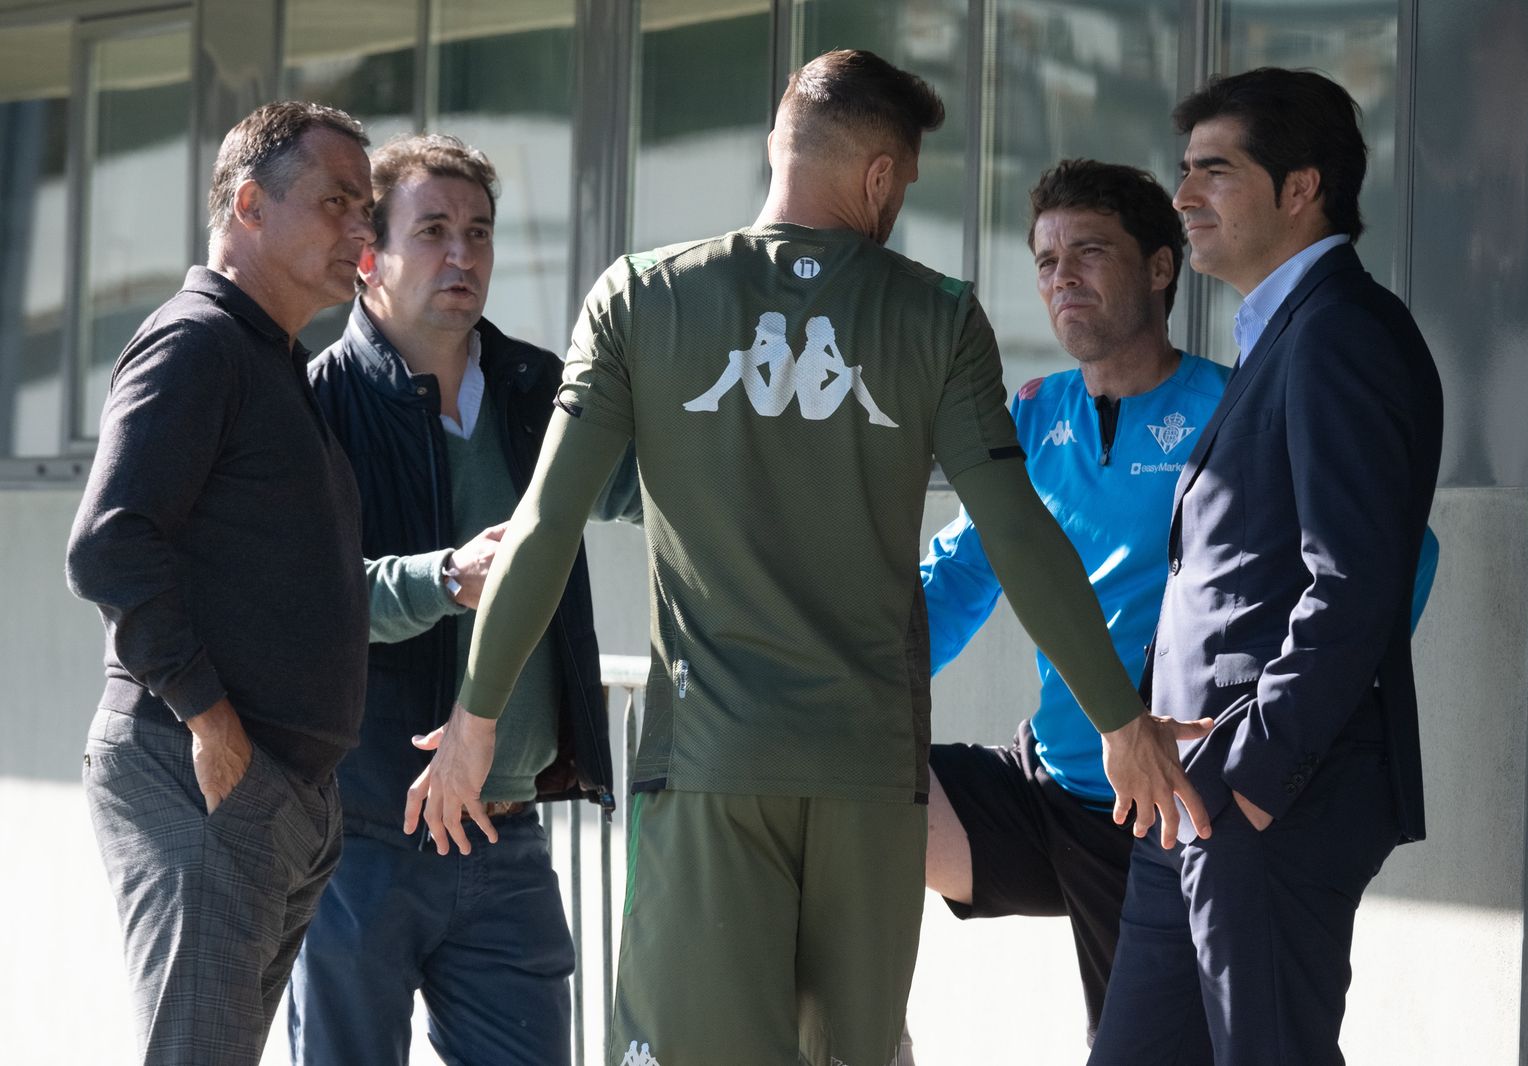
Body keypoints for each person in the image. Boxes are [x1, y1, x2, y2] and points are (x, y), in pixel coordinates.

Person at [410, 49, 1209, 1066]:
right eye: (904, 183)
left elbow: (543, 526)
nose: (899, 207)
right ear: (877, 175)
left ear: (773, 148)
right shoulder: (937, 313)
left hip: (708, 766)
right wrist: (1121, 723)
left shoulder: (640, 295)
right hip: (870, 775)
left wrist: (476, 721)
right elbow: (1017, 533)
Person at [919, 159, 1440, 1047]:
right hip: (1051, 788)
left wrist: (1277, 742)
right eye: (1045, 260)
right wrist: (845, 681)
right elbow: (960, 576)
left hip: (1176, 812)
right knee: (855, 778)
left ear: (1161, 267)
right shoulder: (1034, 417)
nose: (1061, 277)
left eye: (1089, 251)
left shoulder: (1232, 402)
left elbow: (1399, 562)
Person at [1087, 68, 1444, 1065]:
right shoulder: (1284, 331)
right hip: (1194, 804)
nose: (1182, 196)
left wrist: (1255, 773)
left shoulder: (1341, 334)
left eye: (1215, 171)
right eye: (1183, 170)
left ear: (1300, 188)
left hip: (1269, 800)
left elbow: (1354, 580)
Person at [287, 133, 633, 1066]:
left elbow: (652, 490)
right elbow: (307, 605)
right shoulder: (314, 403)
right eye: (433, 230)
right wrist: (443, 578)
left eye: (478, 232)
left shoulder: (543, 389)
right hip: (360, 835)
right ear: (369, 256)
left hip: (508, 832)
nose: (462, 255)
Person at [64, 102, 375, 1066]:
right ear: (249, 204)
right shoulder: (196, 341)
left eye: (367, 210)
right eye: (336, 202)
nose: (361, 232)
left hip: (275, 792)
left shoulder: (274, 361)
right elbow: (108, 546)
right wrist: (212, 722)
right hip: (199, 768)